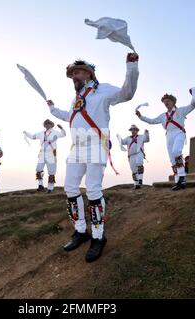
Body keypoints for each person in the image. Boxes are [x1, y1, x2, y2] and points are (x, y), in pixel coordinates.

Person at [47, 52, 139, 262]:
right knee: (70, 187)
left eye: (76, 73)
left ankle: (98, 237)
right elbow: (69, 116)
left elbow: (127, 94)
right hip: (76, 148)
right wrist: (53, 109)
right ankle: (81, 231)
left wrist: (132, 68)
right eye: (72, 75)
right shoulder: (76, 99)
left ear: (89, 74)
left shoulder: (103, 90)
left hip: (97, 145)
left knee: (93, 188)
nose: (74, 77)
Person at [135, 88, 195, 190]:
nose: (166, 103)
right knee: (172, 159)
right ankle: (178, 181)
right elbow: (151, 121)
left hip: (179, 133)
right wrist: (141, 117)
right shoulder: (163, 116)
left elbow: (192, 106)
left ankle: (182, 178)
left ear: (173, 101)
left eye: (168, 101)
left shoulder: (181, 111)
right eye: (164, 102)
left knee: (176, 151)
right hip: (169, 135)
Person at [23, 120, 66, 193]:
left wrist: (62, 129)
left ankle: (50, 188)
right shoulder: (41, 133)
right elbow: (33, 137)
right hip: (42, 154)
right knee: (38, 169)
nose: (47, 125)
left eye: (48, 123)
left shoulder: (55, 132)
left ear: (51, 125)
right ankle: (40, 185)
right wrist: (26, 133)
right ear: (44, 125)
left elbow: (63, 135)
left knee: (51, 171)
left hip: (51, 154)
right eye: (46, 124)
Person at [118, 124, 149, 189]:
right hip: (131, 155)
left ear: (137, 131)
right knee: (133, 170)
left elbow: (147, 139)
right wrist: (119, 137)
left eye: (134, 130)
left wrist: (146, 133)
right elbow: (122, 142)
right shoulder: (128, 138)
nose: (133, 131)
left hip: (139, 153)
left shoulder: (141, 137)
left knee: (139, 163)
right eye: (132, 130)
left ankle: (140, 180)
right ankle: (136, 184)